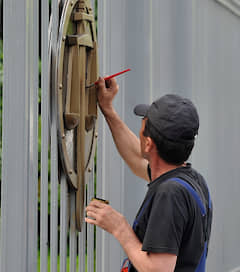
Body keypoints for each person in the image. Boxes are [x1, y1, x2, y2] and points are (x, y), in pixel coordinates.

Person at [85, 77, 212, 272]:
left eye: (144, 124)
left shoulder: (171, 194)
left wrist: (120, 228)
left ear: (149, 143)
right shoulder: (191, 181)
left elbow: (159, 269)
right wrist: (108, 110)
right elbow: (138, 159)